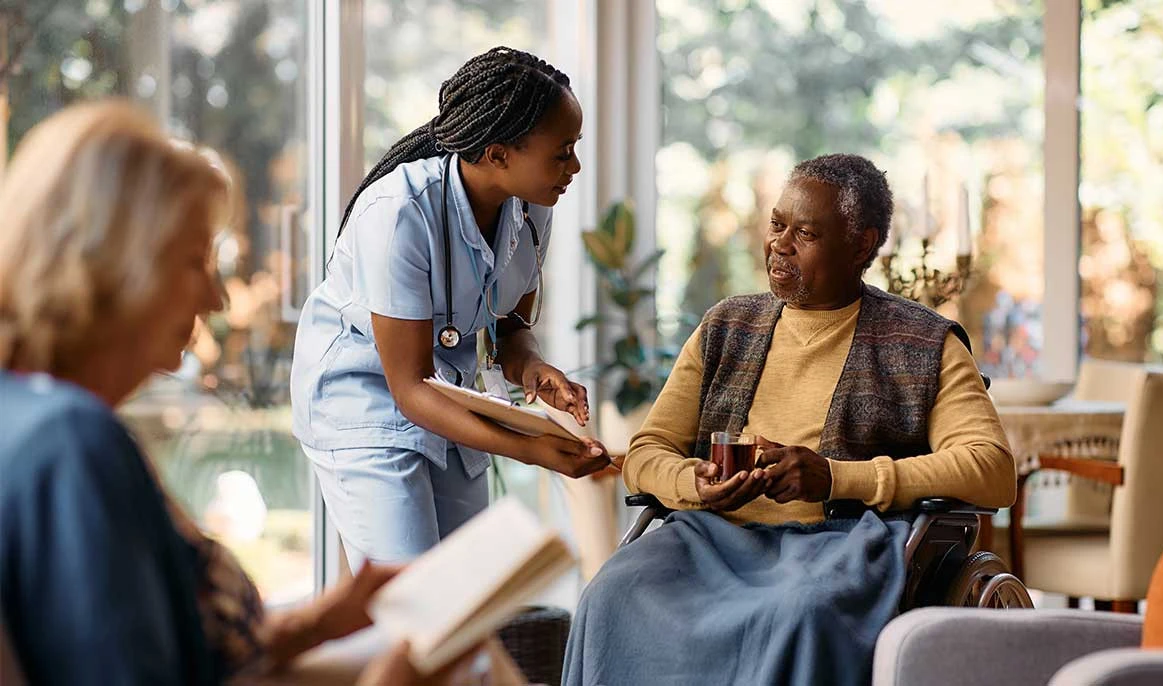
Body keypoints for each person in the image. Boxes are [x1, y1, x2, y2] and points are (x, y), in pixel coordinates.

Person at [0, 100, 479, 685]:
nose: (217, 299)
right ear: (108, 267)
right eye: (195, 260)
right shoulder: (69, 445)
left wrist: (314, 623)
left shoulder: (30, 417)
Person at [563, 154, 1017, 685]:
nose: (780, 244)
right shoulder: (726, 326)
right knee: (611, 593)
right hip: (711, 536)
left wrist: (837, 477)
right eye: (777, 225)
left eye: (805, 233)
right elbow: (647, 453)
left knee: (801, 612)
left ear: (862, 245)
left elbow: (991, 468)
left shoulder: (923, 341)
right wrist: (694, 482)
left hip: (843, 546)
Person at [290, 46, 610, 569]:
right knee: (416, 606)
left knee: (464, 604)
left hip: (447, 398)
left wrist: (531, 365)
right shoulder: (399, 214)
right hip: (367, 402)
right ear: (498, 153)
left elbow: (507, 322)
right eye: (561, 151)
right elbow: (408, 386)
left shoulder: (531, 206)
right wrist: (531, 449)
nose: (574, 166)